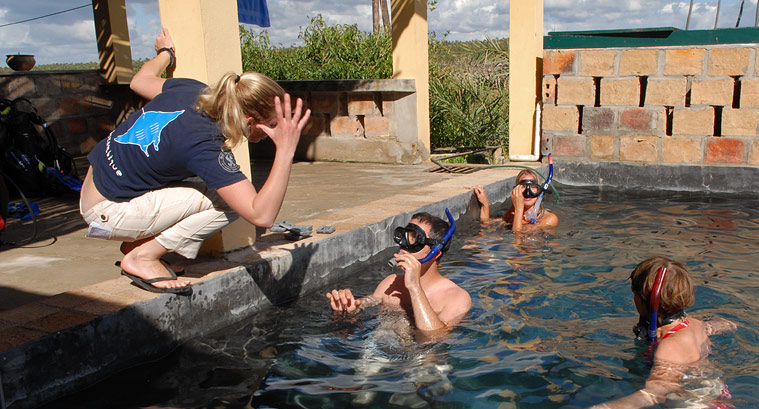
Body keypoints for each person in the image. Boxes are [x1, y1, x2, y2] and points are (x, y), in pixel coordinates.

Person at [79, 26, 310, 295]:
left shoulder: (195, 90)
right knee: (229, 203)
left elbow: (139, 81)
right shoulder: (206, 144)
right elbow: (262, 215)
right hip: (106, 210)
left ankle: (137, 245)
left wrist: (165, 53)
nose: (279, 130)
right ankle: (142, 257)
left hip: (97, 183)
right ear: (249, 121)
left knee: (206, 182)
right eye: (273, 125)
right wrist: (286, 149)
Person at [546, 257, 737, 409]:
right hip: (715, 394)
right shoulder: (693, 324)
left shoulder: (670, 346)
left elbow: (652, 395)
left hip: (696, 406)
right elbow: (713, 327)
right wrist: (728, 324)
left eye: (634, 294)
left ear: (643, 299)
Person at [326, 210, 472, 333]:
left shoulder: (457, 298)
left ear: (435, 253)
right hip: (378, 350)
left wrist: (415, 288)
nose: (403, 248)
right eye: (404, 237)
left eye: (414, 241)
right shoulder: (391, 283)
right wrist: (346, 310)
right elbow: (364, 305)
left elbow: (433, 337)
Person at [472, 168, 558, 232]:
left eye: (533, 187)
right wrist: (485, 205)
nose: (527, 192)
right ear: (515, 190)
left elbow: (517, 238)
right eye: (523, 187)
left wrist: (519, 209)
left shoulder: (549, 219)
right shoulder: (513, 211)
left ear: (539, 191)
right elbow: (486, 224)